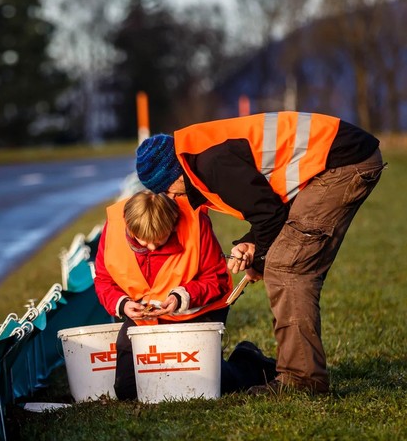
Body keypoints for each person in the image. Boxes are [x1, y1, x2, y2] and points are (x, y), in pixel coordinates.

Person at [134, 112, 386, 394]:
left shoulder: (212, 164)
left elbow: (271, 216)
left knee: (287, 267)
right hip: (336, 160)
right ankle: (301, 373)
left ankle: (302, 380)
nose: (174, 198)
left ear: (173, 176)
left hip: (343, 163)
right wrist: (250, 245)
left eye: (167, 191)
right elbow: (270, 205)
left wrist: (261, 260)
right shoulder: (199, 155)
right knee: (285, 261)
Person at [94, 190, 277, 400]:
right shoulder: (113, 227)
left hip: (198, 311)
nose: (152, 247)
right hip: (144, 319)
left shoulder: (196, 222)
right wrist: (123, 304)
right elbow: (103, 280)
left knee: (206, 386)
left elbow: (215, 279)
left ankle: (249, 362)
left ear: (172, 224)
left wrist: (181, 297)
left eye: (160, 240)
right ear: (128, 227)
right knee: (127, 392)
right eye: (143, 242)